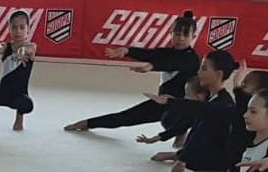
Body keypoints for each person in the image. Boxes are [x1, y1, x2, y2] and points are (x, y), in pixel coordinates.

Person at [65, 11, 199, 134]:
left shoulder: (192, 58)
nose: (180, 38)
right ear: (171, 34)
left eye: (185, 35)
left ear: (193, 36)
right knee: (125, 117)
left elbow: (173, 63)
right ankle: (87, 123)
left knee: (175, 118)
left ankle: (181, 133)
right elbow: (151, 54)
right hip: (163, 103)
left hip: (182, 106)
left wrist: (152, 66)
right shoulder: (169, 52)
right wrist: (128, 51)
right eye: (177, 34)